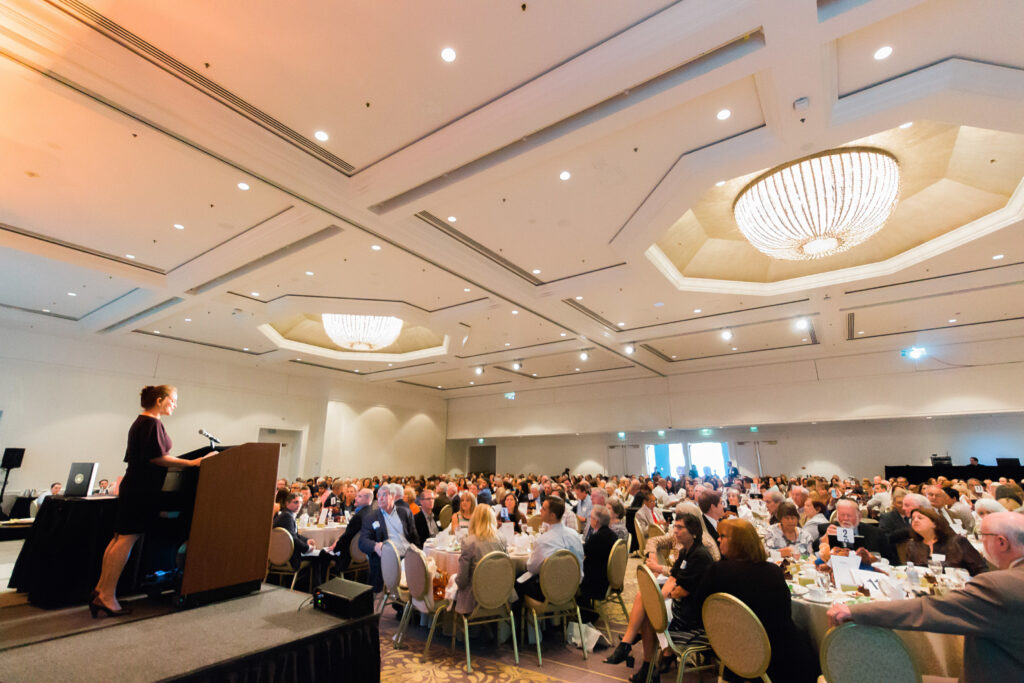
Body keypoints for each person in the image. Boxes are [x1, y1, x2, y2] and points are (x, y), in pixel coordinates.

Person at [828, 512, 1024, 683]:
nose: (980, 542)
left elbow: (929, 610)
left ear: (1001, 542)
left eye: (982, 536)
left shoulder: (1000, 587)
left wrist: (855, 611)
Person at [91, 385, 212, 617]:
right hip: (141, 489)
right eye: (173, 400)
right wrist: (195, 463)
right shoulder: (151, 424)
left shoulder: (142, 422)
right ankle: (107, 596)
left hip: (134, 486)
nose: (175, 405)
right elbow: (158, 458)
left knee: (119, 538)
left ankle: (101, 590)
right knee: (125, 540)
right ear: (159, 400)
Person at [693, 518, 817, 682]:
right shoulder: (772, 572)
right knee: (808, 635)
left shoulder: (716, 572)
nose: (718, 539)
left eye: (722, 536)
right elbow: (784, 615)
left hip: (732, 649)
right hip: (776, 654)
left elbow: (699, 609)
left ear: (738, 543)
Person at [516, 497, 584, 603]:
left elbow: (532, 568)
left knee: (517, 583)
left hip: (549, 591)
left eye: (543, 509)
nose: (540, 511)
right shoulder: (574, 534)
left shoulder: (544, 540)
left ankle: (519, 619)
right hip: (573, 587)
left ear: (552, 516)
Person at [358, 485, 418, 594]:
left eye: (384, 495)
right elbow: (362, 541)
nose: (380, 498)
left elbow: (414, 537)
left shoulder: (405, 513)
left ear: (393, 496)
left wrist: (418, 551)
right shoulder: (371, 517)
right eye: (379, 495)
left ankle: (414, 604)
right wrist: (375, 546)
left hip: (409, 555)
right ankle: (401, 602)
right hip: (389, 558)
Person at [454, 504, 509, 614]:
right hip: (500, 592)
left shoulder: (469, 542)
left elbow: (462, 579)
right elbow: (506, 567)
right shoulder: (502, 538)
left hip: (475, 596)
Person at [902, 507, 987, 576]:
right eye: (912, 519)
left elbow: (981, 569)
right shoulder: (913, 545)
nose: (915, 520)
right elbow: (910, 570)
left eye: (920, 518)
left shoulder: (957, 542)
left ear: (934, 524)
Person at [273, 492, 332, 588]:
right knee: (321, 556)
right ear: (287, 503)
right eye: (295, 502)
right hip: (288, 557)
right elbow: (293, 539)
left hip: (281, 554)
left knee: (319, 555)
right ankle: (317, 589)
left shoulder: (286, 514)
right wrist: (307, 548)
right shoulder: (287, 517)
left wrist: (306, 540)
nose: (298, 505)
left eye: (300, 502)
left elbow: (294, 535)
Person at [815, 498, 893, 565]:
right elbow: (814, 550)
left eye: (849, 515)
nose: (845, 519)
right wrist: (824, 539)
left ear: (859, 516)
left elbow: (892, 560)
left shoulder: (876, 533)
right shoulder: (829, 529)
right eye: (842, 515)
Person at [579, 506, 618, 616]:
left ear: (596, 521)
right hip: (608, 576)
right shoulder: (612, 535)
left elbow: (582, 553)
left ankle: (585, 614)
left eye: (591, 517)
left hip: (597, 582)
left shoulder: (597, 538)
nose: (590, 520)